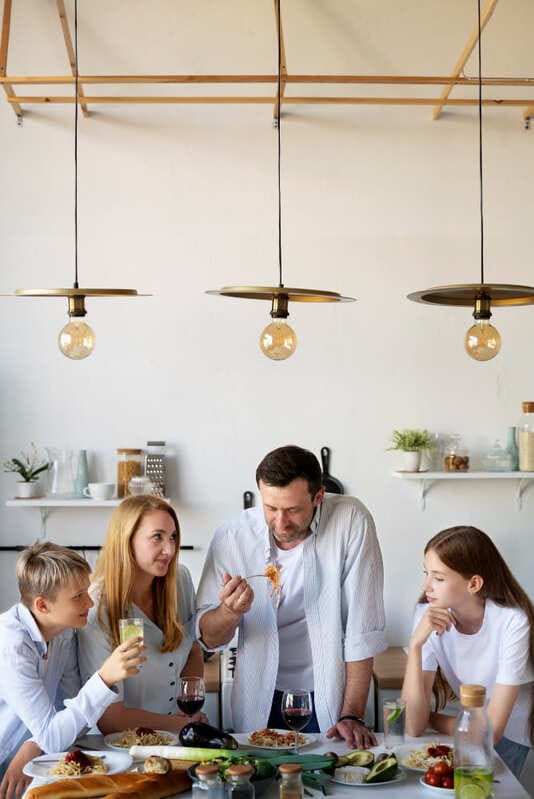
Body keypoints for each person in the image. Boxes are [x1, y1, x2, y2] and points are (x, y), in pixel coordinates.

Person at [196, 444, 387, 748]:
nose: (281, 523)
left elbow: (362, 627)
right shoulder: (232, 536)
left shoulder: (351, 520)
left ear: (318, 496)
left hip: (330, 695)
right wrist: (230, 613)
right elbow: (207, 637)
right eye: (270, 508)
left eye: (293, 510)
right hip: (258, 695)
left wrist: (352, 714)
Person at [0, 541, 143, 799]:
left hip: (34, 762)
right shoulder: (12, 646)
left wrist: (34, 744)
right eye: (78, 596)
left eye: (86, 591)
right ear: (43, 606)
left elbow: (72, 718)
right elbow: (55, 735)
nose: (89, 602)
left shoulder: (64, 633)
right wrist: (104, 678)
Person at [401, 525, 534, 778]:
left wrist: (431, 718)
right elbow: (412, 726)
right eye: (426, 573)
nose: (426, 586)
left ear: (474, 583)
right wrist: (416, 645)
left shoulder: (512, 621)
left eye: (438, 578)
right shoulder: (427, 615)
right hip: (465, 723)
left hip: (509, 732)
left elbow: (490, 733)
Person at [78, 495, 206, 735]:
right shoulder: (97, 607)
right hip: (121, 747)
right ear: (126, 540)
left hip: (176, 737)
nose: (169, 549)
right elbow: (110, 719)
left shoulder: (180, 580)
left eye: (173, 537)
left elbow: (193, 650)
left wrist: (188, 710)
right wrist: (181, 726)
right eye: (157, 537)